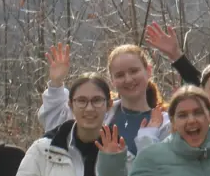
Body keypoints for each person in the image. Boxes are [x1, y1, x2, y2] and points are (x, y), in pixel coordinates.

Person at [40, 42, 169, 153]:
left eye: (134, 71)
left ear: (148, 71)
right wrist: (56, 83)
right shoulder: (99, 113)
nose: (128, 79)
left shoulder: (165, 124)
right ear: (112, 80)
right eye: (120, 75)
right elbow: (56, 126)